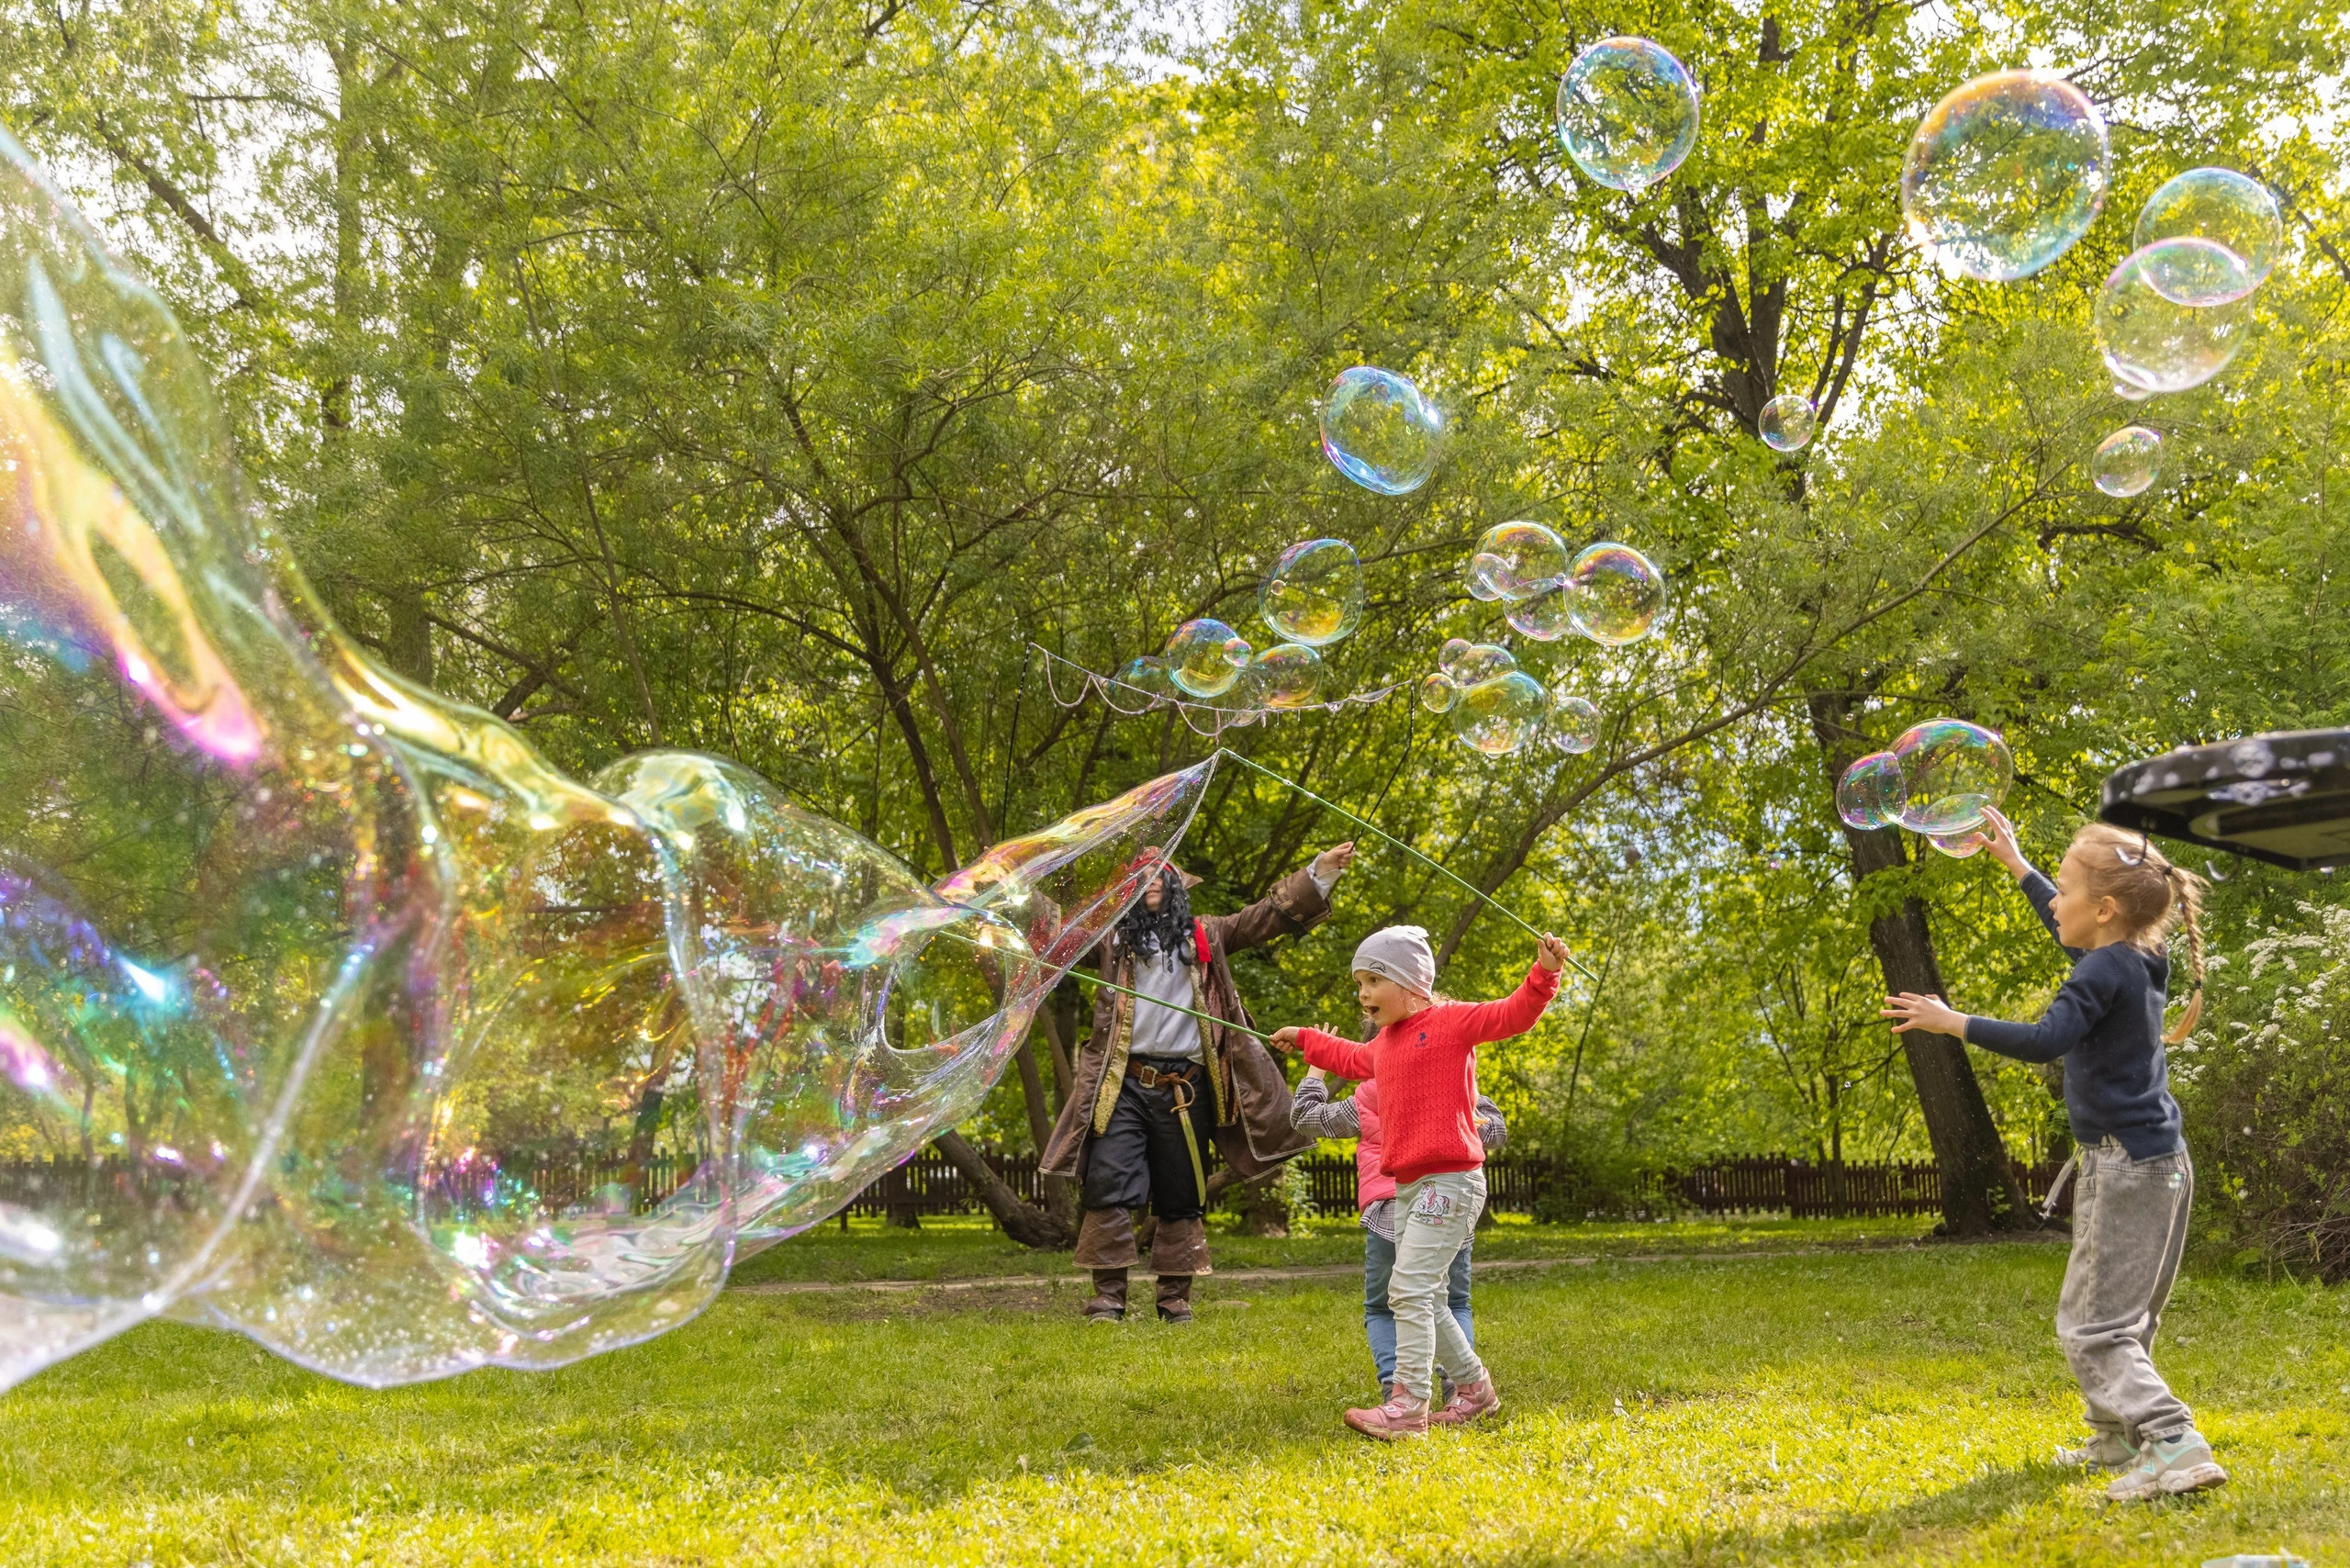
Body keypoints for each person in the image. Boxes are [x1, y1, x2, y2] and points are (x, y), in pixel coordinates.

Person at [1881, 807, 2224, 1501]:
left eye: (2062, 890)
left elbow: (2046, 1039)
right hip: (2159, 1162)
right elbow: (2074, 932)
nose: (2054, 901)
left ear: (2102, 909)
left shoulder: (2104, 971)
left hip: (2124, 1165)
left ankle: (2174, 1443)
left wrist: (1954, 1022)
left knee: (2094, 1326)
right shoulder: (2136, 958)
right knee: (2121, 1315)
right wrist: (2018, 866)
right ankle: (2114, 1438)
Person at [1040, 842, 1356, 1324]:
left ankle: (1173, 1299)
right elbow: (1057, 940)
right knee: (1109, 1182)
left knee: (1181, 1191)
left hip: (1185, 1091)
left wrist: (1319, 872)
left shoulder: (1206, 933)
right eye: (1140, 880)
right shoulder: (1112, 942)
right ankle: (1108, 1298)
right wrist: (1008, 894)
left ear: (1176, 886)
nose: (1150, 887)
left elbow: (1266, 916)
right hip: (1121, 1086)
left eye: (1159, 877)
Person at [1273, 924, 1567, 1439]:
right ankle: (1475, 1391)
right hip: (1410, 1185)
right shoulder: (1384, 1046)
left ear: (1410, 983)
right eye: (1359, 982)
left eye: (1372, 980)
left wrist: (1545, 972)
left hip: (1450, 1180)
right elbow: (1346, 1057)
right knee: (1424, 1295)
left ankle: (1409, 1407)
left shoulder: (1451, 1022)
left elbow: (1513, 1013)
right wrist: (1304, 1039)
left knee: (1407, 1289)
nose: (1362, 993)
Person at [1291, 1063, 1506, 1398]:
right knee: (1453, 1301)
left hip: (1389, 1212)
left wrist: (1316, 1071)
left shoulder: (1368, 1095)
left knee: (1382, 1307)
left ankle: (1397, 1389)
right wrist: (1467, 1082)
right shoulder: (1453, 1089)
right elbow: (1494, 1133)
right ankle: (1459, 1386)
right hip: (1448, 1206)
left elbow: (1306, 1118)